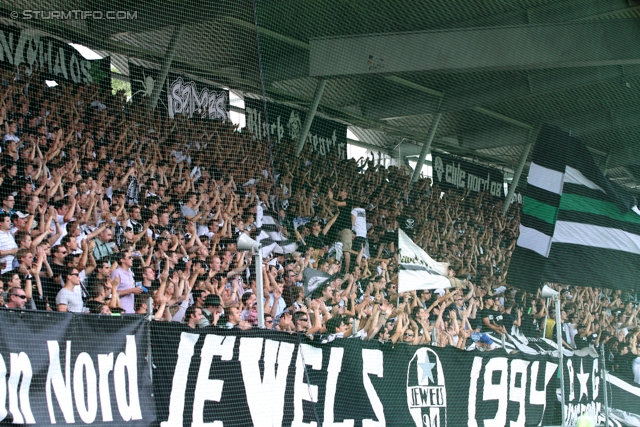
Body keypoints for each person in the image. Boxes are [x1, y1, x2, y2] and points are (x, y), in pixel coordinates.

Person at [112, 248, 142, 314]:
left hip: (131, 311)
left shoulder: (130, 273)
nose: (132, 259)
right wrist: (131, 290)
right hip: (120, 311)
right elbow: (112, 293)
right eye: (129, 257)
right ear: (122, 260)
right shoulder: (117, 273)